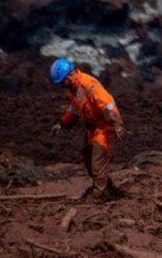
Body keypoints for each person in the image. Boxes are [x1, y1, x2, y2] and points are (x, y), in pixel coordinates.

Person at [49, 58, 127, 201]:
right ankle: (107, 188)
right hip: (92, 129)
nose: (62, 86)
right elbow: (74, 108)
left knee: (97, 164)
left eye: (62, 82)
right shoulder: (75, 88)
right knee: (88, 157)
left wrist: (117, 123)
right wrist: (62, 123)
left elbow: (107, 103)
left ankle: (100, 196)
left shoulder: (87, 84)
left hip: (103, 128)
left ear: (69, 75)